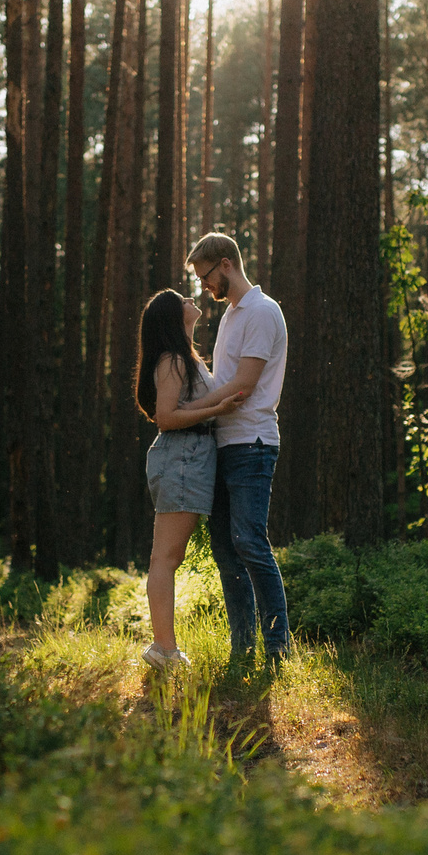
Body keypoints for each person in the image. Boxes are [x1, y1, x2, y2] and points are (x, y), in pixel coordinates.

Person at [187, 232, 290, 664]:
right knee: (225, 550)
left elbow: (244, 386)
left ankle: (277, 648)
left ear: (226, 263)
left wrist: (188, 407)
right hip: (224, 443)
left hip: (253, 442)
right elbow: (223, 382)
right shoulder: (230, 315)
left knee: (249, 541)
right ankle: (242, 649)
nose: (204, 287)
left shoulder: (262, 312)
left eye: (206, 276)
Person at [135, 286, 250, 671]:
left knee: (170, 556)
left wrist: (217, 406)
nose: (191, 300)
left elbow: (185, 406)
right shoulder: (172, 360)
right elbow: (166, 418)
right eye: (182, 299)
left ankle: (164, 649)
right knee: (165, 557)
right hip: (180, 457)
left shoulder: (186, 358)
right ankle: (164, 651)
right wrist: (216, 407)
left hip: (190, 458)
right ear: (173, 315)